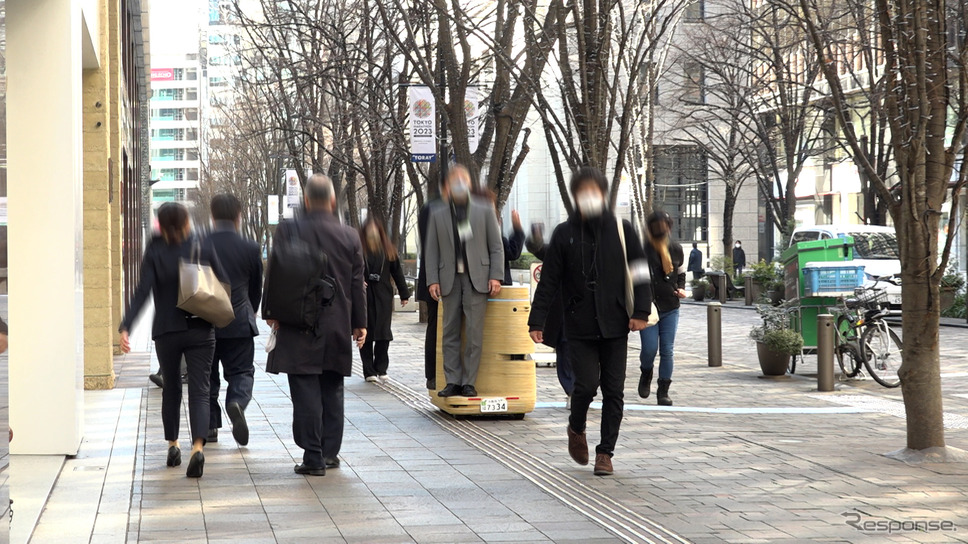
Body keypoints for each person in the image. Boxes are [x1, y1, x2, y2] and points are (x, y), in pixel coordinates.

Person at [528, 166, 652, 477]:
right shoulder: (563, 234)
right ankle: (576, 427)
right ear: (575, 197)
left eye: (594, 193)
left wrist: (640, 312)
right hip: (578, 324)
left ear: (603, 195)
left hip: (616, 323)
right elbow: (549, 281)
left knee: (614, 390)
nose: (589, 198)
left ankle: (605, 453)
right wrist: (537, 320)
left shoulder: (622, 230)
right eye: (583, 193)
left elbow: (639, 273)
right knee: (584, 386)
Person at [264, 174, 366, 476]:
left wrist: (270, 311)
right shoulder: (349, 236)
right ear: (332, 201)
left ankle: (313, 455)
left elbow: (276, 272)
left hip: (298, 322)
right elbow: (356, 283)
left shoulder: (288, 229)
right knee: (332, 387)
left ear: (306, 200)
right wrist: (360, 323)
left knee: (305, 388)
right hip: (336, 322)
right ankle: (330, 452)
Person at [119, 202, 226, 478]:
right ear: (187, 221)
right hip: (201, 328)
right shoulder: (201, 245)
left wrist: (126, 326)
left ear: (161, 225)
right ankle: (198, 448)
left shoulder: (155, 249)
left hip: (167, 330)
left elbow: (142, 291)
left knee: (172, 388)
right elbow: (222, 281)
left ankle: (173, 444)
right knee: (201, 389)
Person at [425, 165, 505, 398]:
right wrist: (432, 279)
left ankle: (469, 382)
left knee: (473, 332)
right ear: (448, 186)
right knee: (449, 331)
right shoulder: (438, 213)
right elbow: (431, 250)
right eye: (455, 180)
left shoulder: (484, 209)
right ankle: (452, 381)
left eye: (463, 179)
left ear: (469, 184)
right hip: (449, 279)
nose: (459, 184)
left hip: (477, 279)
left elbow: (496, 246)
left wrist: (495, 276)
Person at [205, 194, 263, 446]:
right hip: (239, 320)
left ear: (212, 215)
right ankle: (236, 401)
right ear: (239, 216)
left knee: (207, 376)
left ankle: (209, 427)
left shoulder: (200, 244)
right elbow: (256, 288)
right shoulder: (250, 247)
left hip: (205, 321)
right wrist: (249, 310)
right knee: (241, 371)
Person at [639, 211, 686, 406]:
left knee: (667, 350)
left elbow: (681, 272)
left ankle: (663, 390)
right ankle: (646, 372)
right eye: (657, 225)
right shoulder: (641, 249)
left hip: (670, 305)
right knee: (650, 348)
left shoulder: (675, 248)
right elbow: (636, 278)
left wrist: (681, 289)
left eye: (665, 225)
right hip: (648, 307)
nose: (662, 229)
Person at [526, 224, 575, 407]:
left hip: (590, 316)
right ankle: (572, 391)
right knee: (566, 351)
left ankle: (582, 389)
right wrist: (536, 237)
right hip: (563, 313)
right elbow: (538, 249)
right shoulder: (557, 249)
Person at [359, 216, 411, 383]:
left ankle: (381, 368)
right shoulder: (359, 250)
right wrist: (358, 281)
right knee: (365, 333)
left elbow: (397, 272)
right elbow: (350, 269)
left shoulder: (388, 250)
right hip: (365, 296)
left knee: (383, 333)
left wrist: (404, 294)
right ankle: (368, 371)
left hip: (383, 296)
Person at [416, 195, 442, 390]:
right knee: (435, 325)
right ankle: (432, 374)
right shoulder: (432, 208)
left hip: (455, 278)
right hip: (436, 277)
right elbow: (430, 245)